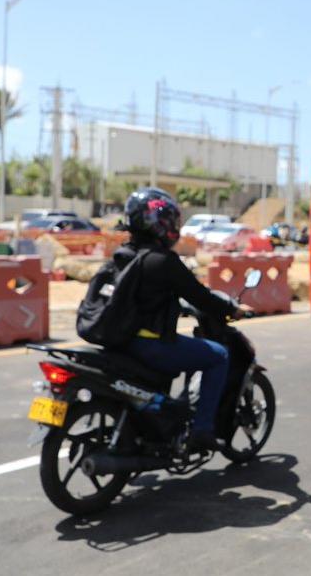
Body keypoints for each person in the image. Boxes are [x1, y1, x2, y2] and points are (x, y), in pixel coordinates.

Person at [117, 188, 252, 451]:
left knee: (190, 350)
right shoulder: (163, 261)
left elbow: (144, 298)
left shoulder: (123, 256)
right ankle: (202, 430)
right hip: (149, 345)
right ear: (161, 223)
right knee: (218, 356)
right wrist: (230, 309)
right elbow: (200, 296)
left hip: (120, 341)